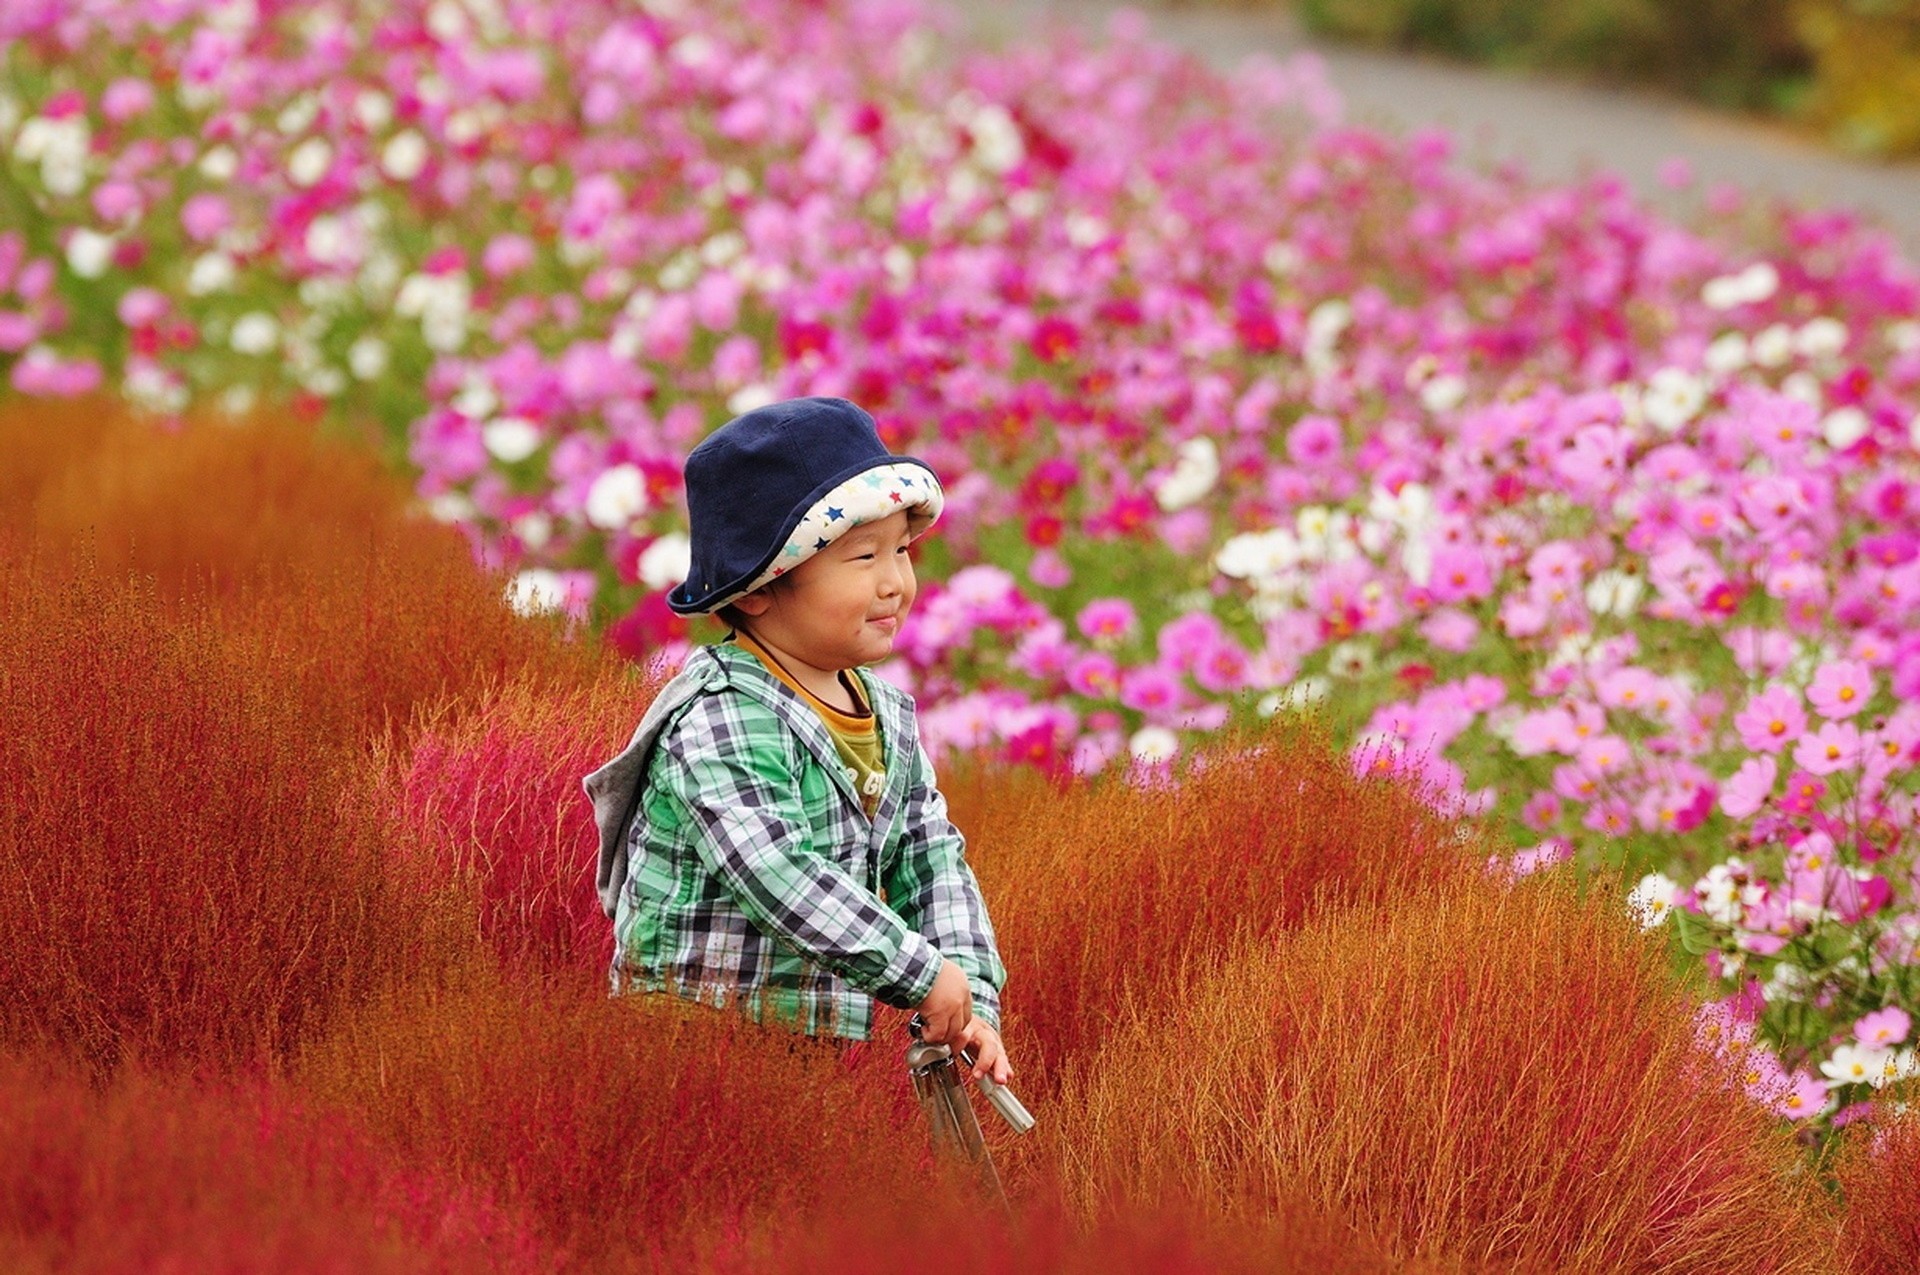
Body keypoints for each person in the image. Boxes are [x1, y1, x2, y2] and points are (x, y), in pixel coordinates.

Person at [583, 396, 1012, 1084]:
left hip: (808, 1043)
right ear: (758, 588)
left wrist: (970, 992)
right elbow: (775, 870)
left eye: (901, 550)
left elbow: (931, 859)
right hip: (692, 1037)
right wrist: (919, 972)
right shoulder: (720, 716)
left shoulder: (888, 716)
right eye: (863, 556)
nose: (894, 582)